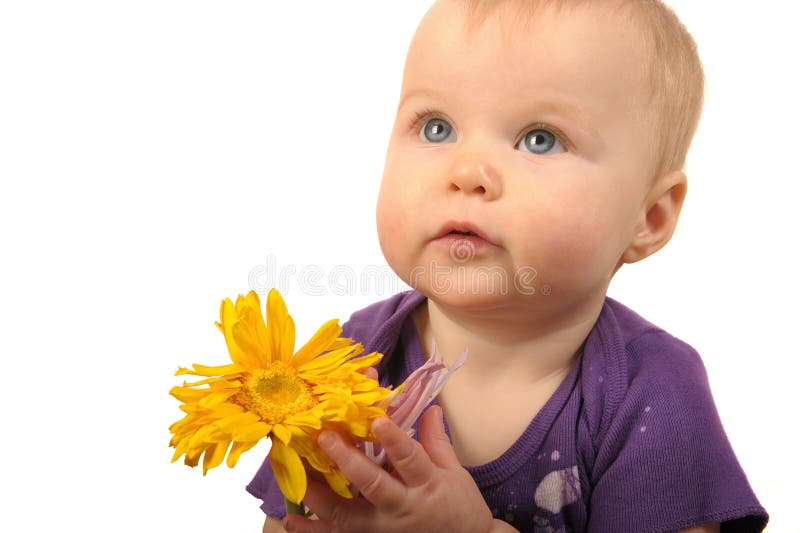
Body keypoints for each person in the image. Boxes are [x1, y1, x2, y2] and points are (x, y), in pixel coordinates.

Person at [249, 0, 768, 531]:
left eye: (540, 140)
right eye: (436, 128)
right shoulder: (350, 360)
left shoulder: (654, 394)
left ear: (649, 217)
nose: (468, 171)